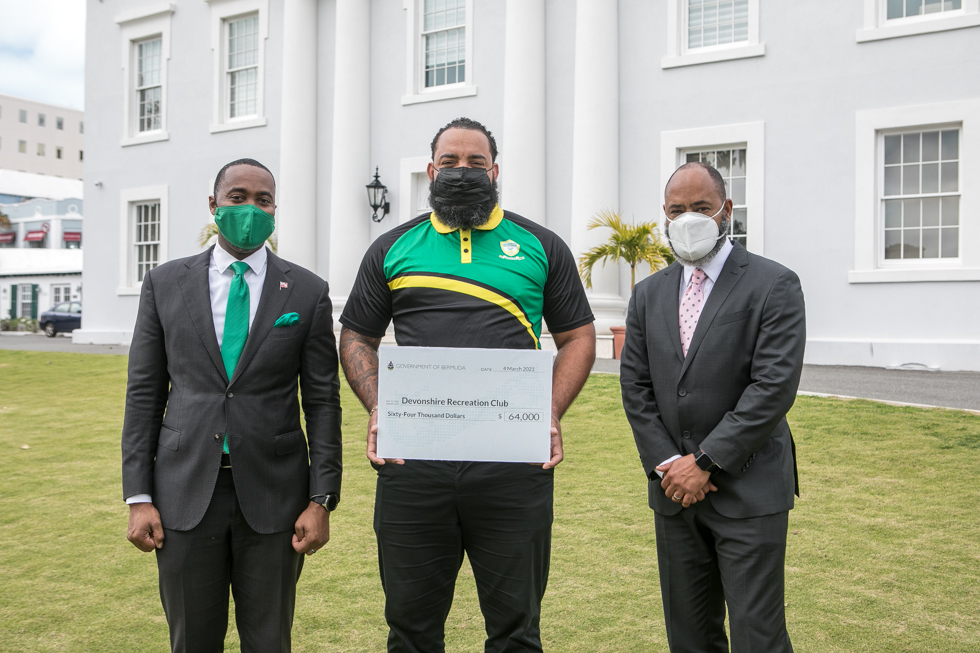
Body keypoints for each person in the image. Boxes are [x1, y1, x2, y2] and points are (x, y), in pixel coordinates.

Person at [339, 117, 596, 653]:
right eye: (450, 162)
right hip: (413, 465)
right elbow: (357, 337)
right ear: (431, 171)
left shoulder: (540, 245)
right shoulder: (391, 247)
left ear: (495, 172)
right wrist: (381, 407)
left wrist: (548, 412)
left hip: (512, 466)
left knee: (516, 631)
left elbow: (577, 337)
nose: (462, 171)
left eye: (475, 163)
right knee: (410, 631)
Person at [121, 158, 343, 653]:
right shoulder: (164, 284)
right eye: (238, 197)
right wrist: (138, 496)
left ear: (275, 209)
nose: (251, 209)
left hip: (275, 497)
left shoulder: (308, 291)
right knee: (192, 641)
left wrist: (322, 498)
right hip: (183, 493)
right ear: (214, 205)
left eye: (264, 200)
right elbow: (143, 396)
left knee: (269, 641)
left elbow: (323, 403)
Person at [619, 161, 806, 653]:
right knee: (689, 636)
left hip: (749, 490)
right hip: (674, 494)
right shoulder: (647, 294)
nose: (688, 219)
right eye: (677, 209)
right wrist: (670, 465)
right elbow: (636, 386)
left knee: (757, 636)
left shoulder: (773, 283)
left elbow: (773, 387)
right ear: (664, 214)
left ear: (726, 211)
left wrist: (704, 462)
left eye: (701, 207)